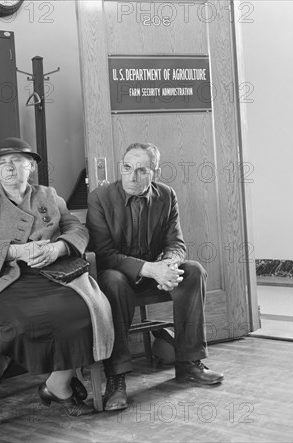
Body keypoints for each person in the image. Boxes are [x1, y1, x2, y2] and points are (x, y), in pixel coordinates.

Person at [0, 137, 117, 416]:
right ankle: (61, 385)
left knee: (90, 307)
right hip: (7, 280)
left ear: (30, 165)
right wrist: (15, 250)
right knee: (24, 321)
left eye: (16, 161)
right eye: (2, 163)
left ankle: (58, 383)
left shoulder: (48, 195)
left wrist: (59, 248)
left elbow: (76, 229)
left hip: (55, 273)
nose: (9, 168)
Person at [86, 142, 224, 411]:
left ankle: (188, 363)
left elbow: (176, 243)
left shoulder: (166, 195)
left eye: (141, 170)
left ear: (155, 173)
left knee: (193, 271)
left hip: (155, 272)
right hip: (118, 275)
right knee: (113, 281)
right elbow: (103, 254)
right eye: (127, 168)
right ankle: (116, 379)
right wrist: (150, 269)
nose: (132, 176)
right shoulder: (100, 198)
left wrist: (169, 265)